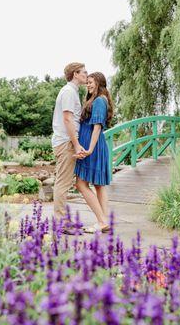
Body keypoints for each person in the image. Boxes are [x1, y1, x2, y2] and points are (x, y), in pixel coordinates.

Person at [74, 72, 113, 233]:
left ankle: (102, 221)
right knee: (98, 185)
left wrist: (89, 149)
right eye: (87, 82)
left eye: (91, 82)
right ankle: (104, 221)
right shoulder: (98, 100)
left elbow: (97, 127)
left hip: (93, 146)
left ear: (99, 83)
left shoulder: (98, 101)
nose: (88, 85)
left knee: (81, 184)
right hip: (93, 145)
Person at [52, 62, 87, 221]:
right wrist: (76, 143)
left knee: (63, 182)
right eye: (84, 73)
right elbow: (67, 119)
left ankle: (62, 220)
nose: (86, 75)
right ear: (75, 74)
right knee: (63, 183)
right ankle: (61, 222)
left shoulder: (72, 92)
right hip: (66, 142)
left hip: (65, 141)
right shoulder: (68, 92)